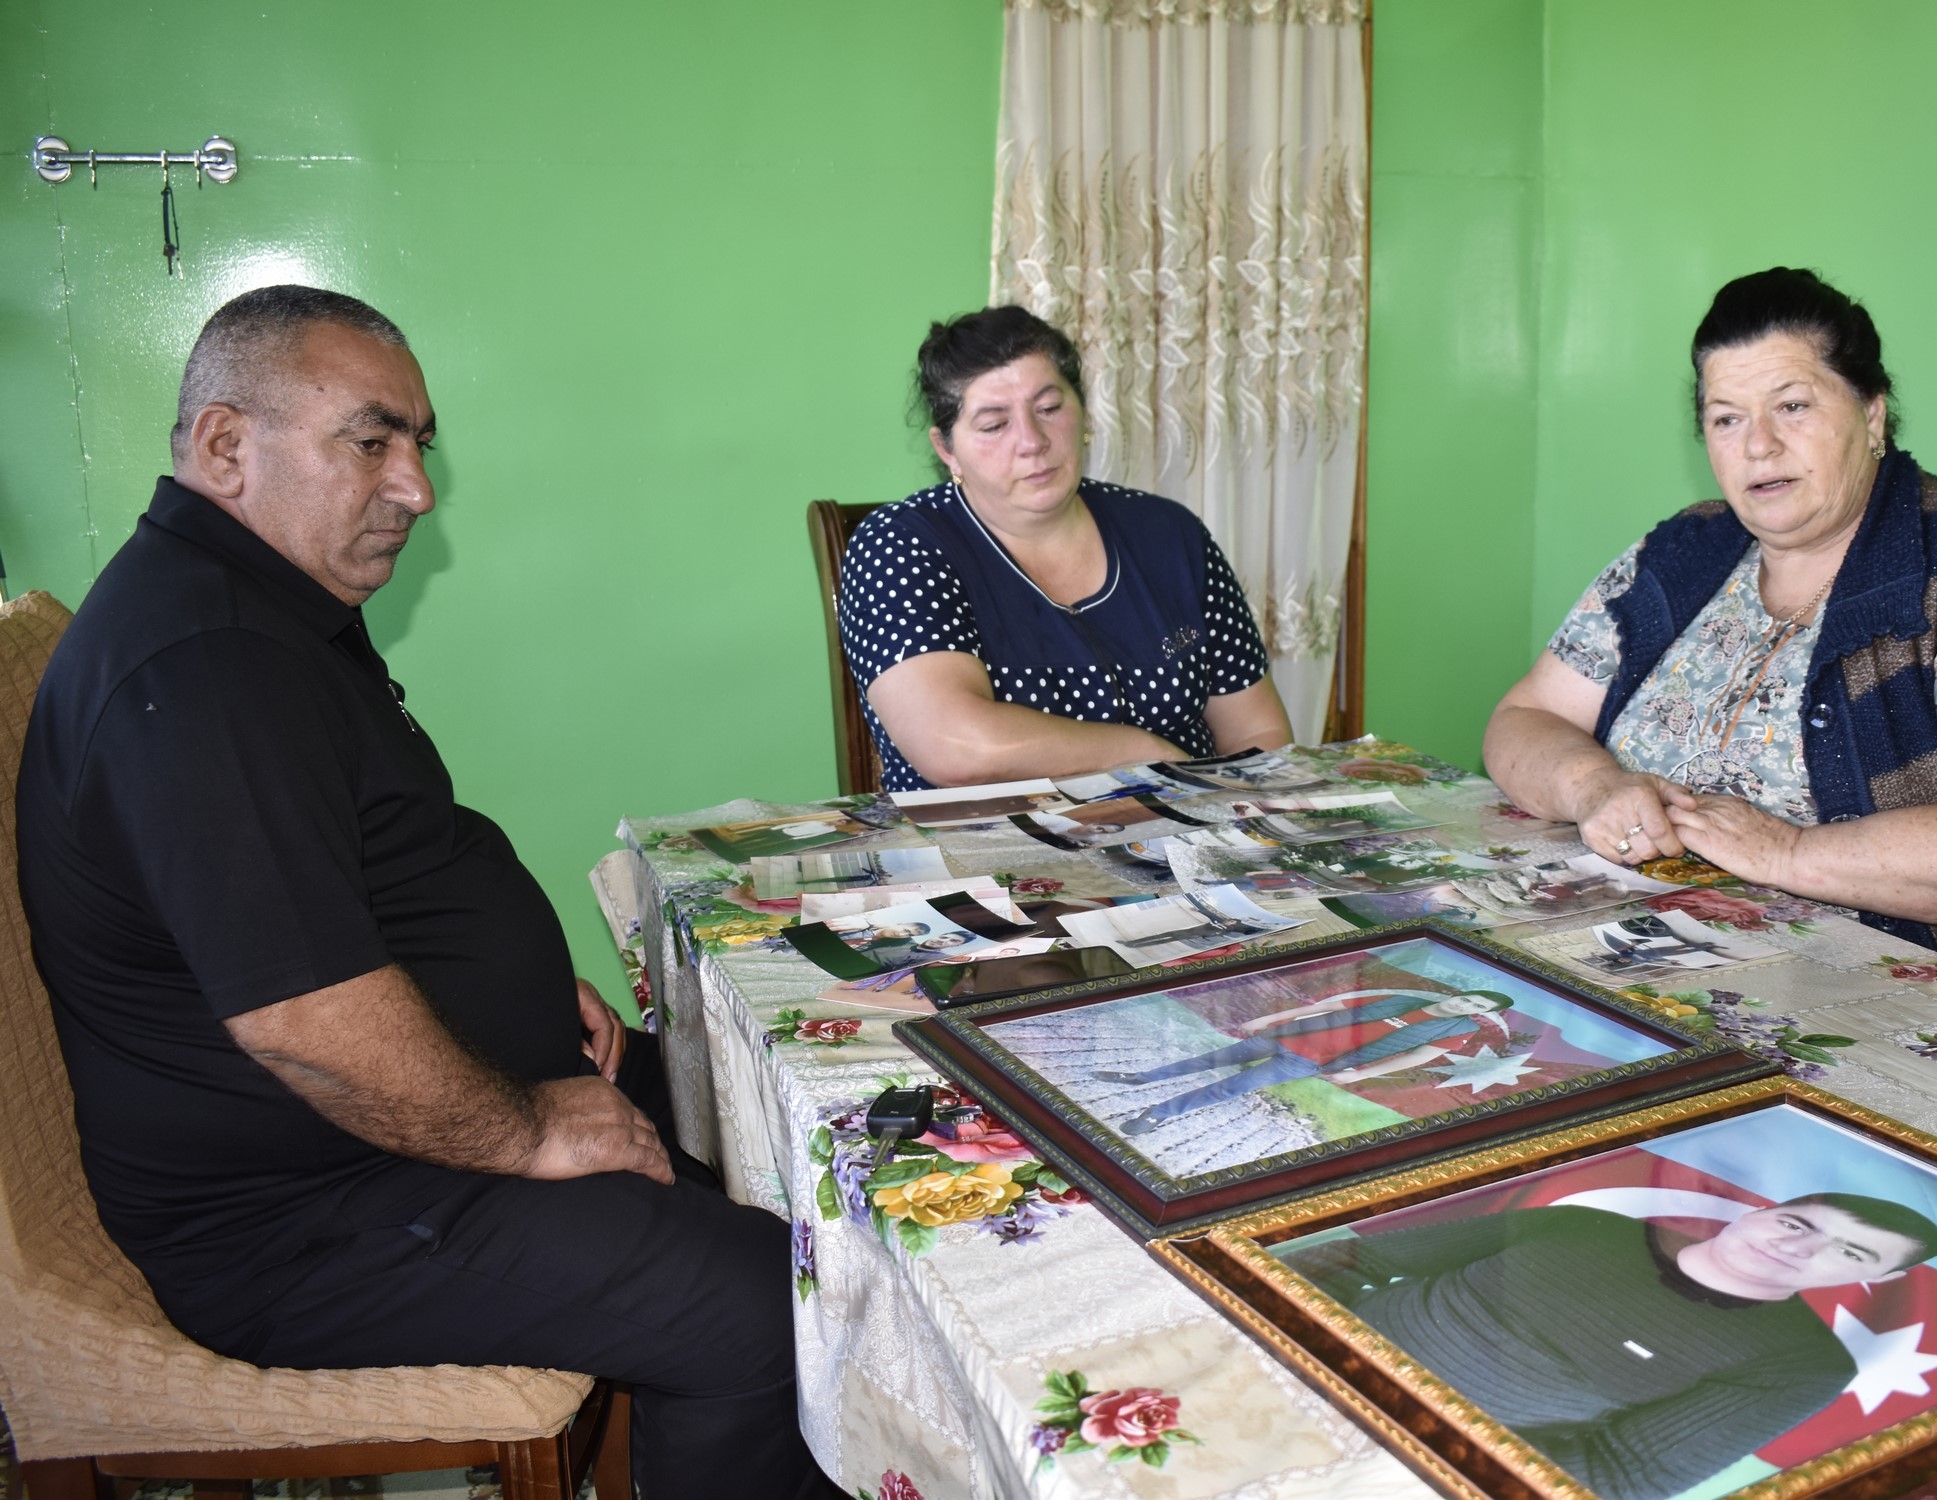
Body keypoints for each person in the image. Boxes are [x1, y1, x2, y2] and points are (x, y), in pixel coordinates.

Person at [16, 286, 832, 1500]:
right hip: (306, 1215)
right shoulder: (203, 668)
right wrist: (528, 1127)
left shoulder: (264, 608)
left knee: (780, 1112)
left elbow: (326, 886)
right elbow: (306, 1024)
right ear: (226, 446)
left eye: (419, 444)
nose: (415, 487)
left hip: (375, 1136)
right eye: (372, 441)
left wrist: (508, 997)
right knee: (764, 1305)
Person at [1485, 268, 1937, 1021]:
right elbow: (1525, 717)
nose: (1758, 446)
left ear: (1872, 414)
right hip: (1667, 976)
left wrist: (1788, 853)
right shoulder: (1685, 551)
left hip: (1931, 1011)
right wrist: (1592, 788)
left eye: (1792, 406)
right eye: (1726, 419)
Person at [838, 306, 1293, 792]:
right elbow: (957, 746)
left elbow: (1257, 732)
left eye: (1049, 408)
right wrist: (1149, 755)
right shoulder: (898, 546)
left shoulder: (1169, 534)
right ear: (948, 450)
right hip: (989, 836)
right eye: (994, 425)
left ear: (1083, 412)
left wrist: (1240, 814)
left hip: (1193, 825)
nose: (1032, 441)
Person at [1294, 1194, 1937, 1500]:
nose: (1795, 1246)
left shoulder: (1803, 1365)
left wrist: (1395, 1456)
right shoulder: (1586, 1225)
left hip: (1402, 1468)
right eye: (1795, 1222)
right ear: (1758, 1212)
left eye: (1849, 1252)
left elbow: (1619, 1478)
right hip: (1290, 1352)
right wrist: (1270, 1330)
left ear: (1880, 1278)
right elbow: (1358, 1260)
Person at [1095, 988, 1514, 1132]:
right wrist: (1271, 1019)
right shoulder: (1401, 998)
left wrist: (1358, 1074)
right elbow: (1331, 1004)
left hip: (1309, 1062)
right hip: (1288, 1036)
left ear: (1476, 1013)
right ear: (1458, 995)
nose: (1463, 1004)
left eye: (1474, 1006)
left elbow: (1415, 1059)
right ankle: (1140, 1078)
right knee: (1212, 1059)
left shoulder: (1455, 1030)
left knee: (1232, 1087)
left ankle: (1157, 1114)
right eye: (1466, 997)